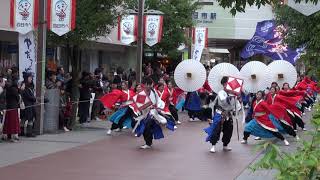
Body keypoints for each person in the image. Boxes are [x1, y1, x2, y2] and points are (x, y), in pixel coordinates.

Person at [134, 78, 174, 149]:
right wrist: (143, 108)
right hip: (145, 113)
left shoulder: (153, 91)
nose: (147, 86)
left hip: (153, 113)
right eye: (146, 85)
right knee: (145, 129)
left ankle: (148, 143)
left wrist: (158, 107)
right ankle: (148, 142)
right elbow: (140, 105)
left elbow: (158, 100)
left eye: (149, 85)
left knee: (148, 127)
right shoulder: (142, 93)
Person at [203, 76, 238, 153]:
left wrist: (236, 105)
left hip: (228, 114)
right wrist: (231, 96)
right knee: (216, 129)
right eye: (226, 84)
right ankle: (213, 145)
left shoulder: (232, 93)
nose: (227, 85)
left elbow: (234, 104)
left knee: (229, 130)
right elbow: (224, 101)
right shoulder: (221, 92)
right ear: (223, 84)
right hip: (220, 114)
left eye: (228, 83)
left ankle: (225, 145)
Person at [2, 67, 20, 142]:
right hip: (13, 106)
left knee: (8, 122)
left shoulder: (8, 86)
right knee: (12, 122)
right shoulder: (12, 86)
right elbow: (17, 96)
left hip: (9, 105)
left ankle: (6, 135)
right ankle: (12, 136)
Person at [20, 72, 37, 137]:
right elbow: (27, 96)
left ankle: (25, 132)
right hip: (26, 104)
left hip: (29, 104)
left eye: (31, 77)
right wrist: (34, 99)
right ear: (26, 78)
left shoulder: (31, 85)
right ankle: (28, 133)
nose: (31, 79)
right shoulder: (24, 85)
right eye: (30, 77)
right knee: (27, 118)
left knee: (27, 118)